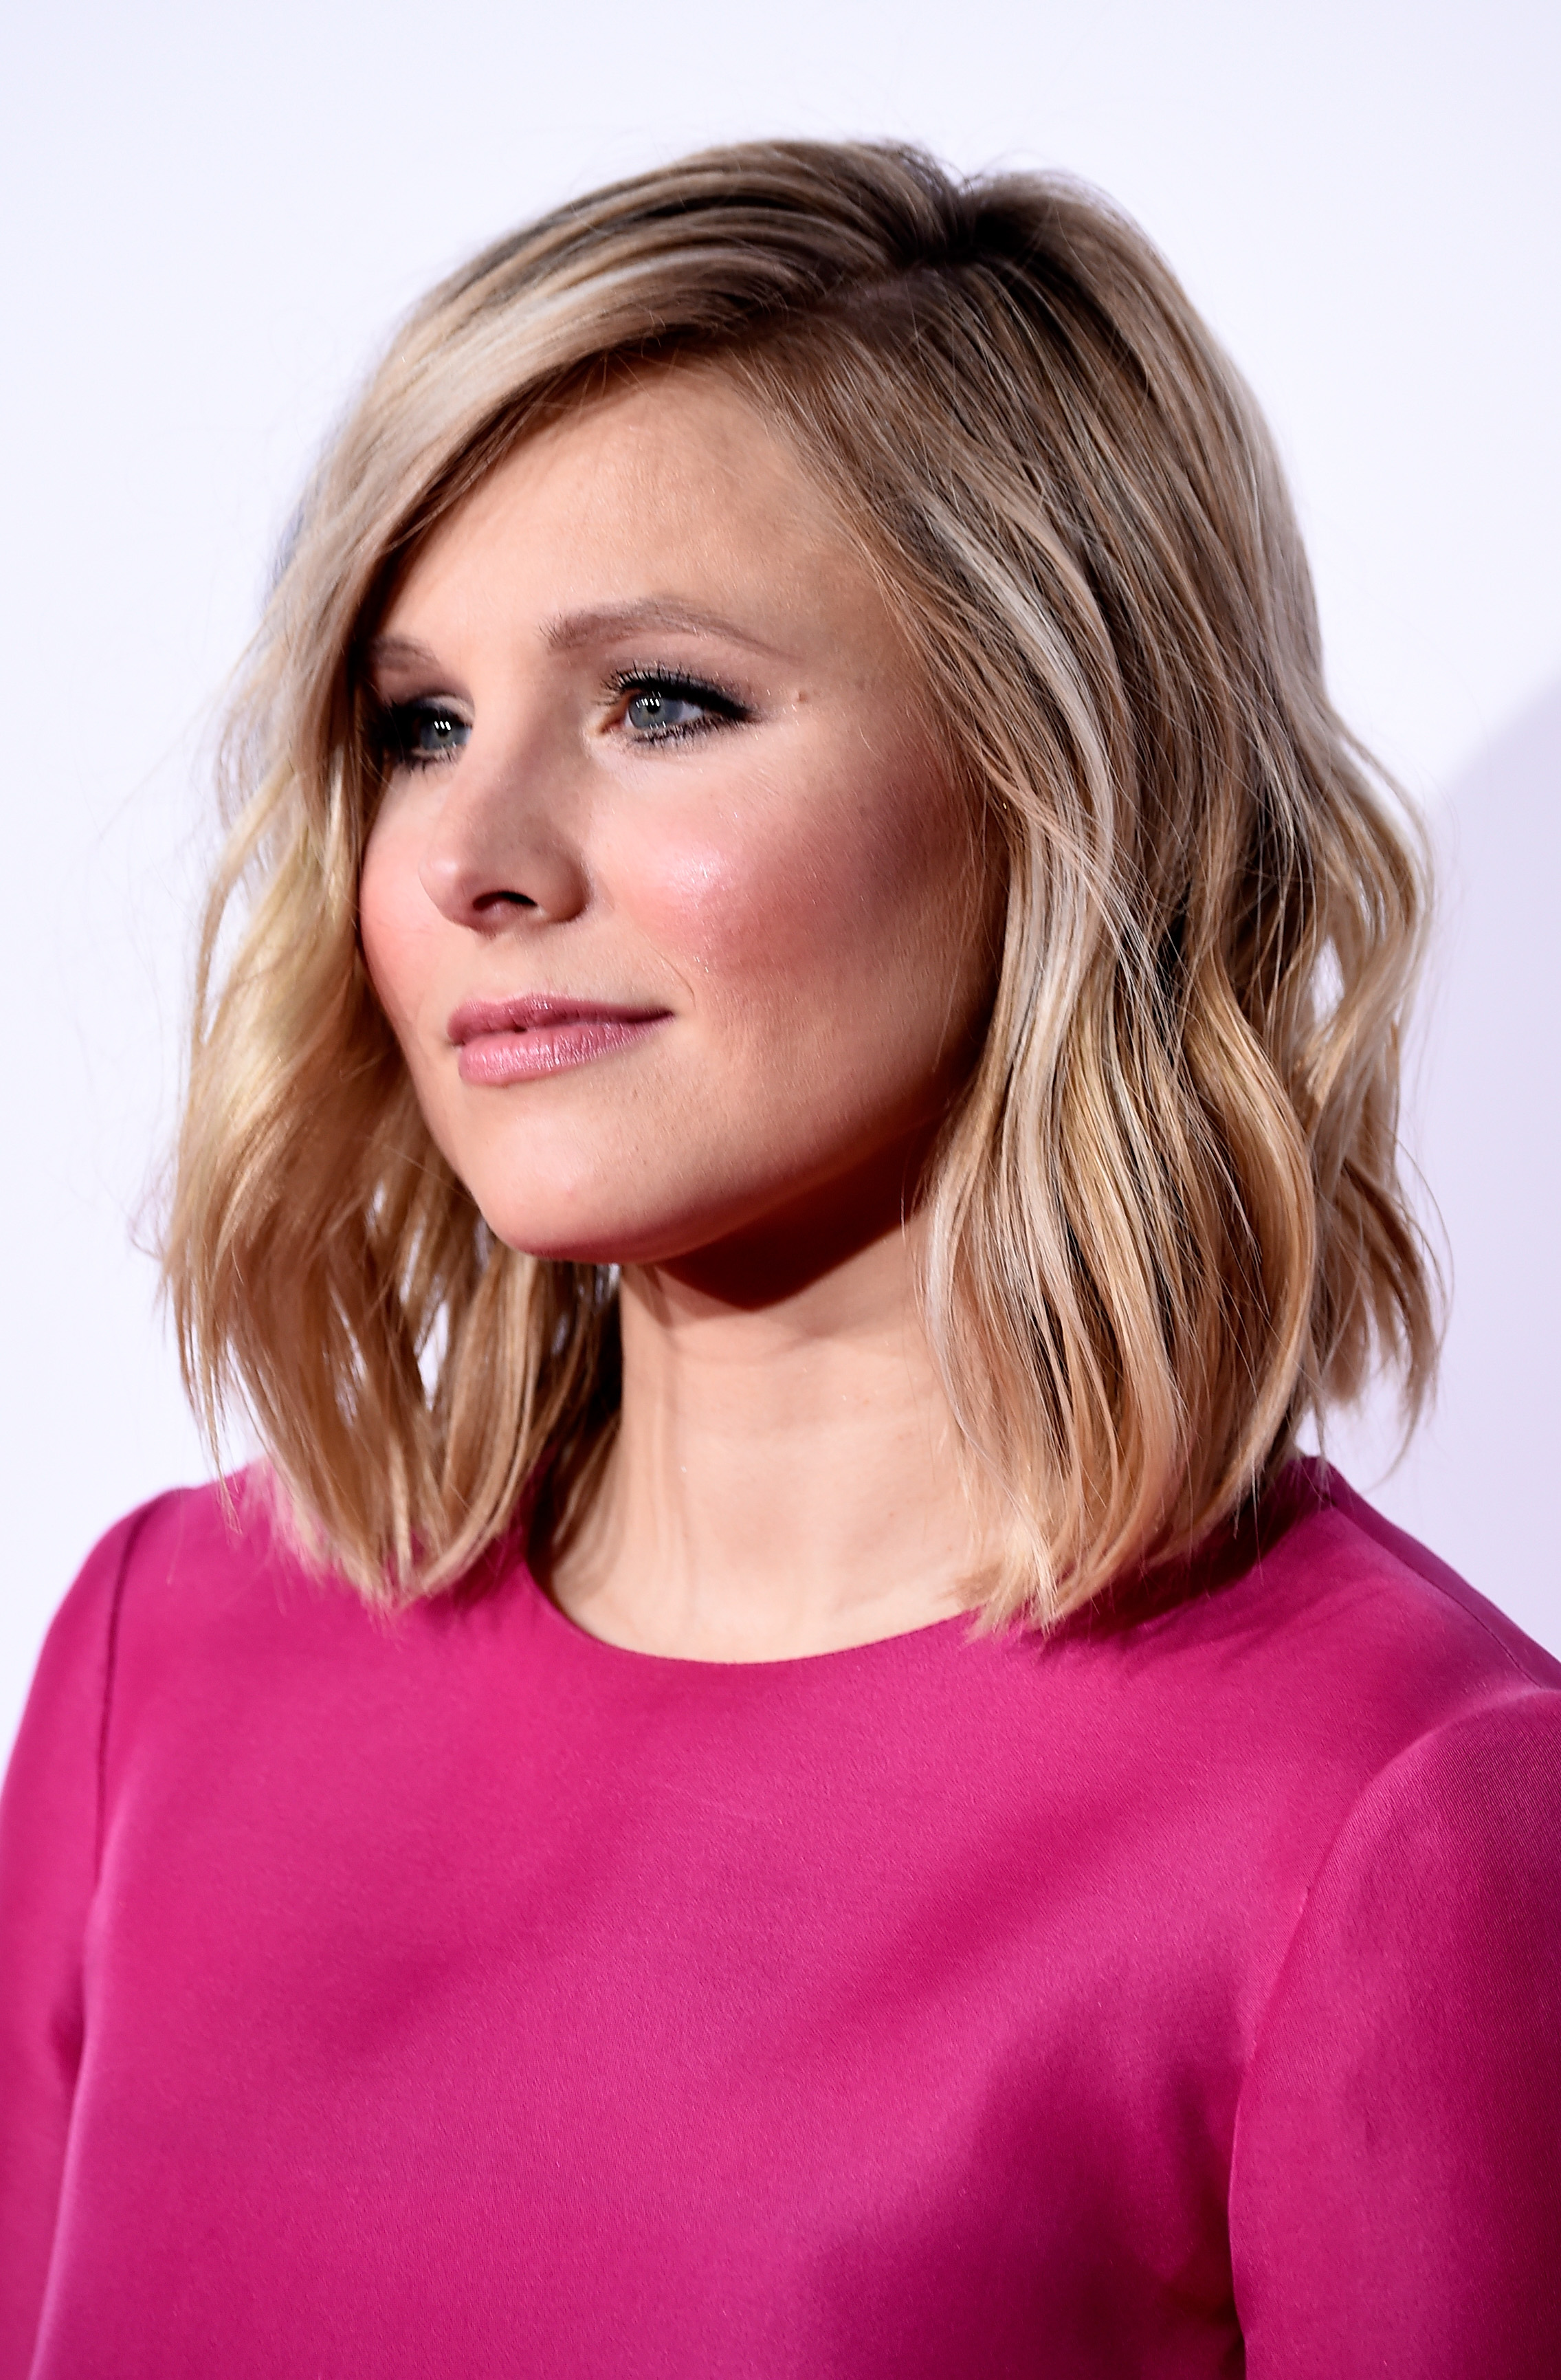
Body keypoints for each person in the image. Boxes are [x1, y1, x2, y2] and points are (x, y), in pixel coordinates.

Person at [1, 140, 1557, 2378]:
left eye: (661, 701)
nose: (470, 856)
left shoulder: (1400, 1818)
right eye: (420, 725)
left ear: (1062, 781)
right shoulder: (163, 1662)